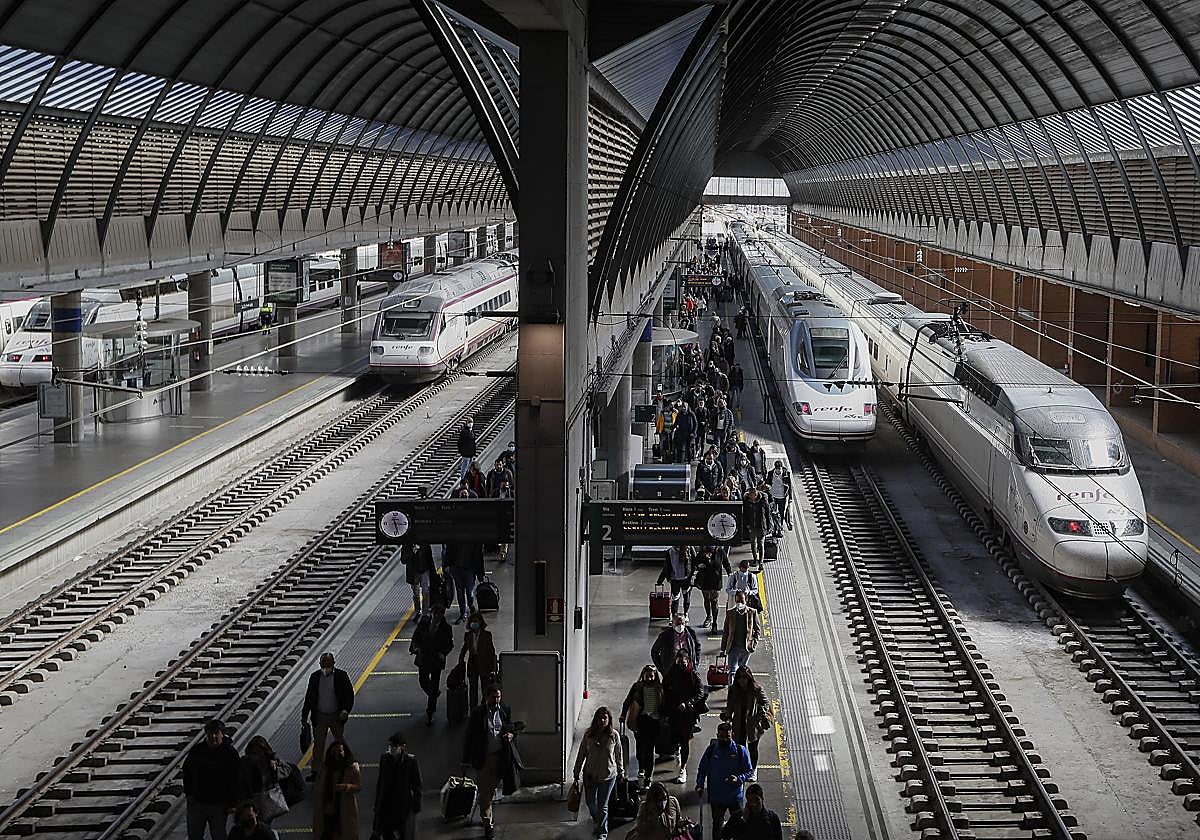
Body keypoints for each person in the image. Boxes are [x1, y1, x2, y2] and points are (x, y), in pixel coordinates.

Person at [462, 684, 517, 839]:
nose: (497, 700)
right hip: (485, 758)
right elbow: (469, 737)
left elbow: (510, 727)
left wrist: (511, 735)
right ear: (486, 697)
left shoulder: (504, 710)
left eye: (498, 697)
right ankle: (488, 823)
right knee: (485, 793)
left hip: (501, 757)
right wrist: (465, 760)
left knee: (492, 790)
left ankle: (487, 812)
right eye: (494, 697)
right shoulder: (478, 714)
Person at [572, 706, 625, 840]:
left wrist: (621, 771)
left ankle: (602, 832)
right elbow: (581, 754)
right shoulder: (588, 735)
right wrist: (576, 771)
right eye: (600, 718)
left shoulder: (614, 736)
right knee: (590, 803)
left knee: (603, 806)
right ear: (595, 719)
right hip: (590, 775)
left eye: (605, 718)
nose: (602, 720)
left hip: (607, 776)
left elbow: (619, 754)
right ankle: (598, 820)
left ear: (609, 719)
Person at [182, 719, 240, 840]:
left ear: (222, 734)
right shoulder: (197, 751)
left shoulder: (230, 753)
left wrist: (233, 802)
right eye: (210, 734)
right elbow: (187, 771)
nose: (213, 737)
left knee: (218, 835)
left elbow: (236, 779)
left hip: (219, 803)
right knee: (194, 835)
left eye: (216, 733)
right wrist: (189, 793)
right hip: (197, 802)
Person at [695, 721, 753, 838]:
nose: (724, 739)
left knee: (738, 826)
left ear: (732, 735)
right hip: (716, 798)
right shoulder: (711, 750)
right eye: (721, 737)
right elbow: (702, 769)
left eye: (727, 737)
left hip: (735, 797)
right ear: (717, 735)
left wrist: (738, 778)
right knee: (717, 825)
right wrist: (699, 785)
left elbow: (749, 771)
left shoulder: (740, 751)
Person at [302, 653, 354, 779]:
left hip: (336, 715)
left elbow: (349, 694)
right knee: (318, 744)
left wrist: (346, 710)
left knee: (340, 742)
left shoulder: (341, 676)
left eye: (328, 665)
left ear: (333, 664)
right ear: (320, 664)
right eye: (323, 664)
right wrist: (304, 715)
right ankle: (316, 771)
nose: (325, 668)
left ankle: (347, 765)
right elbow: (309, 697)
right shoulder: (315, 677)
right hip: (320, 716)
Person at [662, 651, 705, 785]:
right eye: (679, 661)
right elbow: (665, 690)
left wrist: (688, 703)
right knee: (674, 737)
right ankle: (677, 751)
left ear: (688, 660)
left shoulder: (693, 674)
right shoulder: (671, 673)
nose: (682, 664)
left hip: (687, 714)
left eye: (684, 661)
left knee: (685, 740)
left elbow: (700, 692)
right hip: (674, 712)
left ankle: (683, 769)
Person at [410, 602, 455, 724]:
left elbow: (450, 645)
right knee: (423, 680)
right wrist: (415, 647)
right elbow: (416, 636)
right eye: (435, 614)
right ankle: (434, 694)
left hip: (436, 660)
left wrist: (443, 653)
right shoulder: (424, 623)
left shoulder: (446, 628)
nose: (436, 618)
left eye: (438, 615)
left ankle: (430, 711)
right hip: (424, 657)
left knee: (434, 684)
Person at [724, 667, 772, 778]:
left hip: (753, 724)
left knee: (752, 748)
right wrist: (728, 717)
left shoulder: (756, 689)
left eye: (745, 677)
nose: (742, 680)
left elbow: (766, 703)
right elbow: (730, 705)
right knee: (740, 747)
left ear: (749, 678)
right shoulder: (733, 690)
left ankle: (753, 770)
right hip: (738, 723)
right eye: (740, 677)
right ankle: (742, 767)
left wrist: (760, 714)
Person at [622, 665, 665, 788]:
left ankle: (648, 776)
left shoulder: (659, 688)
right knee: (640, 749)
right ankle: (641, 768)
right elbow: (628, 701)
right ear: (643, 675)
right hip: (641, 720)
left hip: (654, 722)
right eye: (647, 676)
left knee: (650, 750)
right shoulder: (637, 687)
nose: (649, 678)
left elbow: (664, 705)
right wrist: (623, 714)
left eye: (652, 676)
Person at [373, 732, 422, 840]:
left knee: (403, 834)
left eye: (394, 746)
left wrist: (416, 804)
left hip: (402, 806)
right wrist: (377, 804)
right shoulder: (384, 758)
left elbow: (417, 784)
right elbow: (380, 782)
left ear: (403, 747)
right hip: (386, 805)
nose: (391, 748)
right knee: (386, 833)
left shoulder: (410, 761)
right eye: (390, 746)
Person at [313, 741, 361, 840]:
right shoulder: (325, 767)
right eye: (334, 752)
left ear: (345, 752)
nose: (336, 754)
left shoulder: (351, 767)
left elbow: (358, 786)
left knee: (344, 833)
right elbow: (318, 783)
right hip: (327, 809)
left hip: (344, 808)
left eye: (339, 751)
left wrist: (346, 787)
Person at [238, 735, 284, 825]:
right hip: (260, 797)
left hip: (260, 797)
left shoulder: (270, 760)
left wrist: (275, 766)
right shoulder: (247, 761)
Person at [458, 610, 498, 709]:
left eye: (476, 621)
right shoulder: (468, 635)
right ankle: (474, 710)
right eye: (472, 621)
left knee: (485, 688)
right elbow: (464, 649)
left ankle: (484, 708)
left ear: (480, 622)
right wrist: (460, 660)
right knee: (473, 689)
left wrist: (493, 667)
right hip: (472, 664)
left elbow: (491, 651)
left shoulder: (487, 635)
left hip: (484, 664)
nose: (474, 623)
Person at [651, 612, 702, 677]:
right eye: (677, 624)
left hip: (687, 669)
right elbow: (654, 652)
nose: (680, 626)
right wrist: (662, 669)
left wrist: (695, 665)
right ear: (672, 624)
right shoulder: (664, 635)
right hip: (670, 671)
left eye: (682, 623)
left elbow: (698, 647)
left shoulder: (691, 633)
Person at [443, 540, 483, 622]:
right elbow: (448, 550)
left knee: (469, 592)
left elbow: (479, 555)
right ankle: (463, 612)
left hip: (469, 568)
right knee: (460, 592)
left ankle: (470, 606)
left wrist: (480, 573)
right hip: (458, 568)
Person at [693, 546, 730, 631]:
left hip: (716, 580)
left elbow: (726, 564)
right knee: (706, 599)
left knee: (714, 601)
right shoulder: (703, 551)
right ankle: (708, 617)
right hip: (704, 579)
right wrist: (699, 565)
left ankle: (715, 622)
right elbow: (695, 562)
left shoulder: (720, 551)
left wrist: (730, 575)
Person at [656, 545, 694, 617]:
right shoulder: (670, 551)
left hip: (686, 579)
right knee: (675, 598)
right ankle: (674, 615)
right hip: (675, 579)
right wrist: (660, 580)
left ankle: (685, 614)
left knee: (686, 598)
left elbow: (694, 563)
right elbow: (666, 567)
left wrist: (692, 577)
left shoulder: (689, 548)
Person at [400, 541, 434, 618]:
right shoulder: (406, 545)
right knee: (416, 592)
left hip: (424, 570)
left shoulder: (424, 543)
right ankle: (417, 611)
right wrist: (412, 552)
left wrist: (433, 572)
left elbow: (429, 557)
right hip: (413, 572)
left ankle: (425, 612)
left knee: (426, 591)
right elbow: (403, 560)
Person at [742, 488, 771, 565]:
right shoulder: (746, 502)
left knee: (760, 543)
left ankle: (761, 561)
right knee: (753, 543)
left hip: (761, 526)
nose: (752, 496)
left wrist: (769, 526)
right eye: (751, 495)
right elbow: (745, 515)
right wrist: (747, 525)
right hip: (752, 526)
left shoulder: (763, 501)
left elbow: (767, 514)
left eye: (754, 494)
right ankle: (755, 559)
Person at [766, 461, 792, 535]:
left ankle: (780, 528)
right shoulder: (770, 473)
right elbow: (767, 483)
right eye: (777, 469)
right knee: (773, 513)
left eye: (779, 469)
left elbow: (790, 486)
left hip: (782, 497)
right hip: (773, 496)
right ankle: (774, 528)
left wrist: (790, 497)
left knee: (781, 513)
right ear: (775, 468)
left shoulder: (786, 474)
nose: (778, 471)